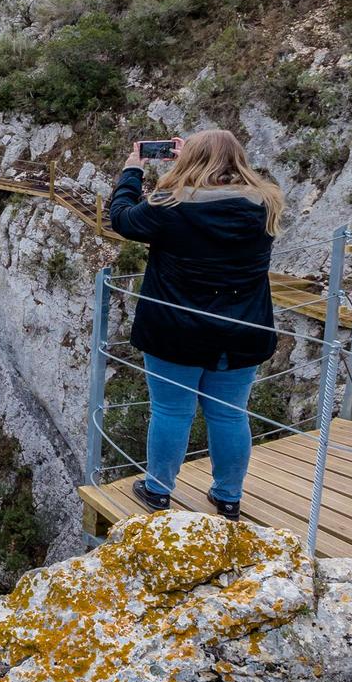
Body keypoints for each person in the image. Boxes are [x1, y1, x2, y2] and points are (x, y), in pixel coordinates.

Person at [108, 129, 284, 520]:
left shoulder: (170, 206)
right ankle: (227, 496)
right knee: (230, 413)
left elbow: (120, 219)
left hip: (176, 330)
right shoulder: (265, 204)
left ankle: (157, 490)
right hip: (242, 331)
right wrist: (202, 160)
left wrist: (132, 171)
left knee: (172, 411)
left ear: (189, 160)